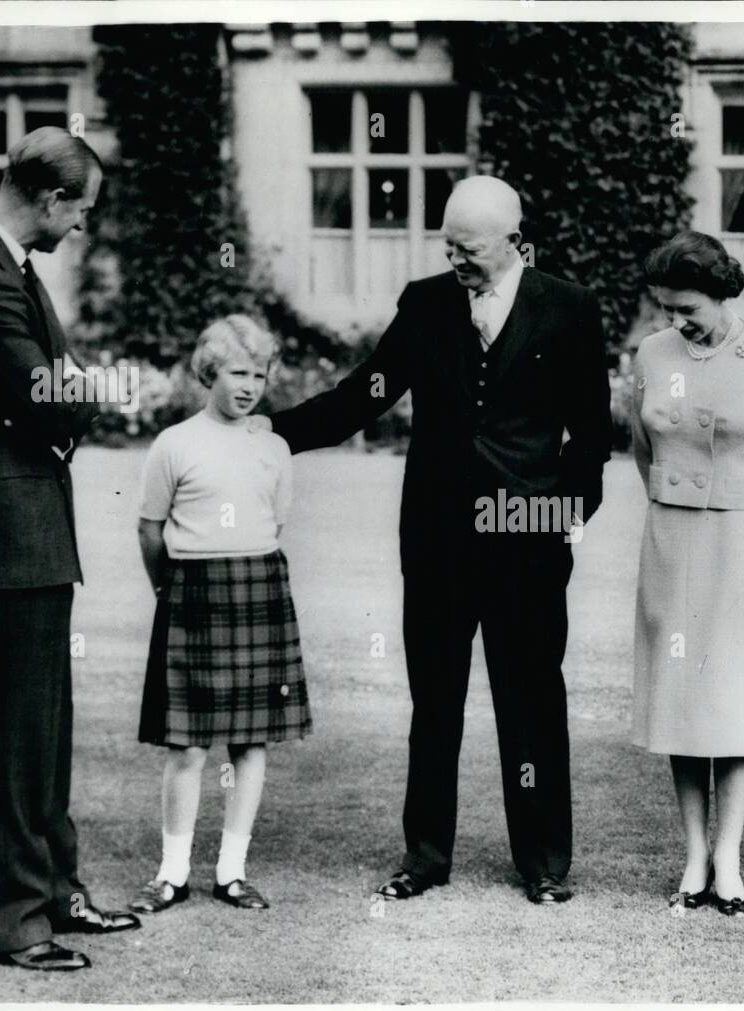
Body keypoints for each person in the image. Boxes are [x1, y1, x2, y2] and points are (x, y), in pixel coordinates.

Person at [257, 177, 611, 905]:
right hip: (439, 539)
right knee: (435, 700)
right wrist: (271, 434)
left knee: (532, 700)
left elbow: (591, 435)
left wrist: (561, 518)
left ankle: (543, 860)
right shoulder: (425, 303)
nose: (455, 259)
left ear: (516, 242)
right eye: (447, 244)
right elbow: (366, 393)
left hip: (529, 540)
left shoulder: (569, 308)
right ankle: (425, 854)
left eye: (469, 248)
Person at [0, 126, 139, 970]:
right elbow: (50, 393)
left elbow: (49, 377)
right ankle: (10, 922)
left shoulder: (1, 262)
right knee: (2, 741)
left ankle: (52, 891)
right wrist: (102, 388)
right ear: (50, 198)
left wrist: (74, 386)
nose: (80, 226)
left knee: (40, 733)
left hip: (25, 534)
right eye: (80, 210)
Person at [630, 232, 744, 916]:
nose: (678, 319)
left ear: (721, 293)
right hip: (673, 538)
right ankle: (693, 854)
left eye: (689, 307)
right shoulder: (652, 353)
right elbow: (641, 443)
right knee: (681, 700)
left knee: (734, 699)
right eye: (668, 307)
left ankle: (730, 858)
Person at [130, 316, 311, 914]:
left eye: (259, 374)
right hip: (192, 592)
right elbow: (151, 529)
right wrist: (169, 588)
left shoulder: (274, 446)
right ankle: (172, 874)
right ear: (210, 372)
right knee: (186, 746)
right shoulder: (175, 443)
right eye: (237, 372)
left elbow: (275, 522)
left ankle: (232, 873)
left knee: (251, 744)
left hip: (257, 584)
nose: (249, 385)